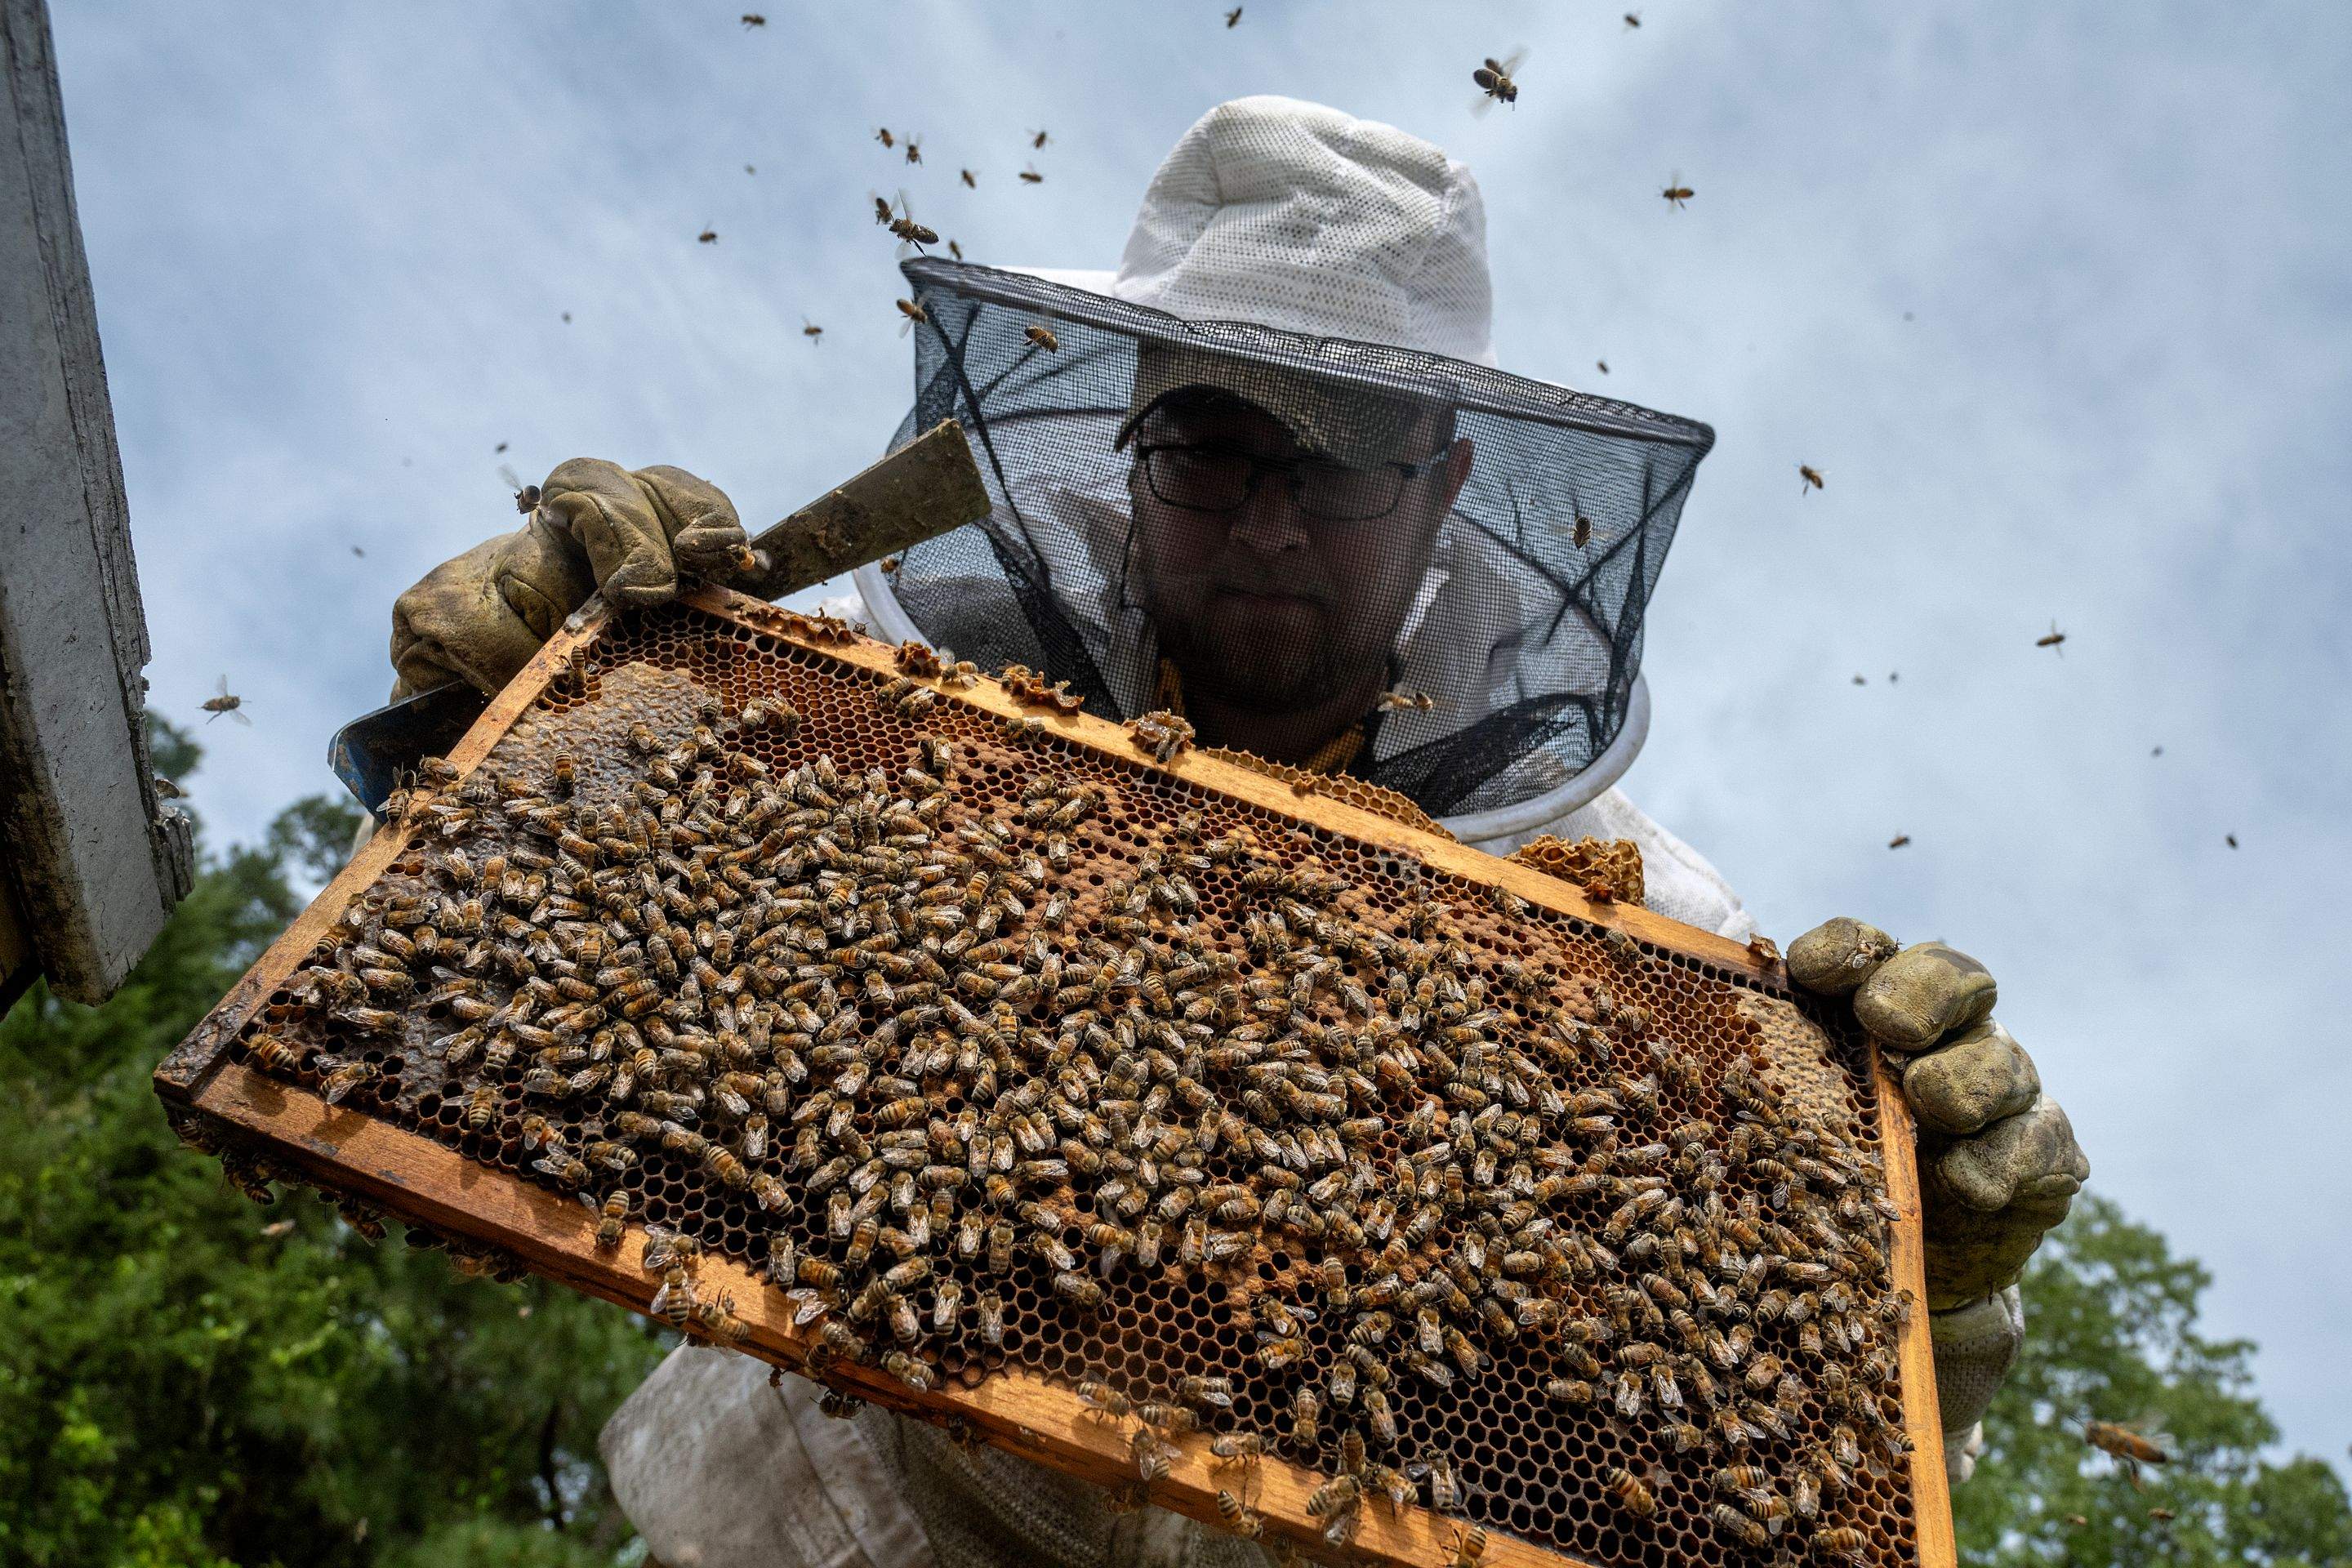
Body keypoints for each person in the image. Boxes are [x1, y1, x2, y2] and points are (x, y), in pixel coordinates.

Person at [390, 97, 2086, 1568]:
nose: (1271, 521)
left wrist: (1939, 1286)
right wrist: (528, 710)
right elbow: (537, 996)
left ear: (1442, 482)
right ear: (1130, 452)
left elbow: (1790, 1436)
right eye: (1211, 447)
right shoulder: (890, 735)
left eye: (1340, 465)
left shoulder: (1650, 921)